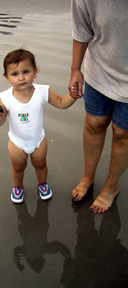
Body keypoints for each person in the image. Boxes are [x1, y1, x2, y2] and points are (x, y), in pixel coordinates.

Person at [0, 48, 78, 203]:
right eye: (15, 74)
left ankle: (42, 184)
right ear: (7, 77)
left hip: (38, 140)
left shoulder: (42, 91)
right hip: (17, 142)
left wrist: (72, 96)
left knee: (41, 164)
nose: (21, 77)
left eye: (26, 71)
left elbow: (61, 103)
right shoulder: (5, 98)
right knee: (18, 167)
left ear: (35, 72)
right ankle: (18, 187)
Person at [68, 0, 128, 214]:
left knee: (122, 133)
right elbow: (82, 29)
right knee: (94, 123)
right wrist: (76, 69)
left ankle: (111, 188)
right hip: (99, 69)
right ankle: (88, 176)